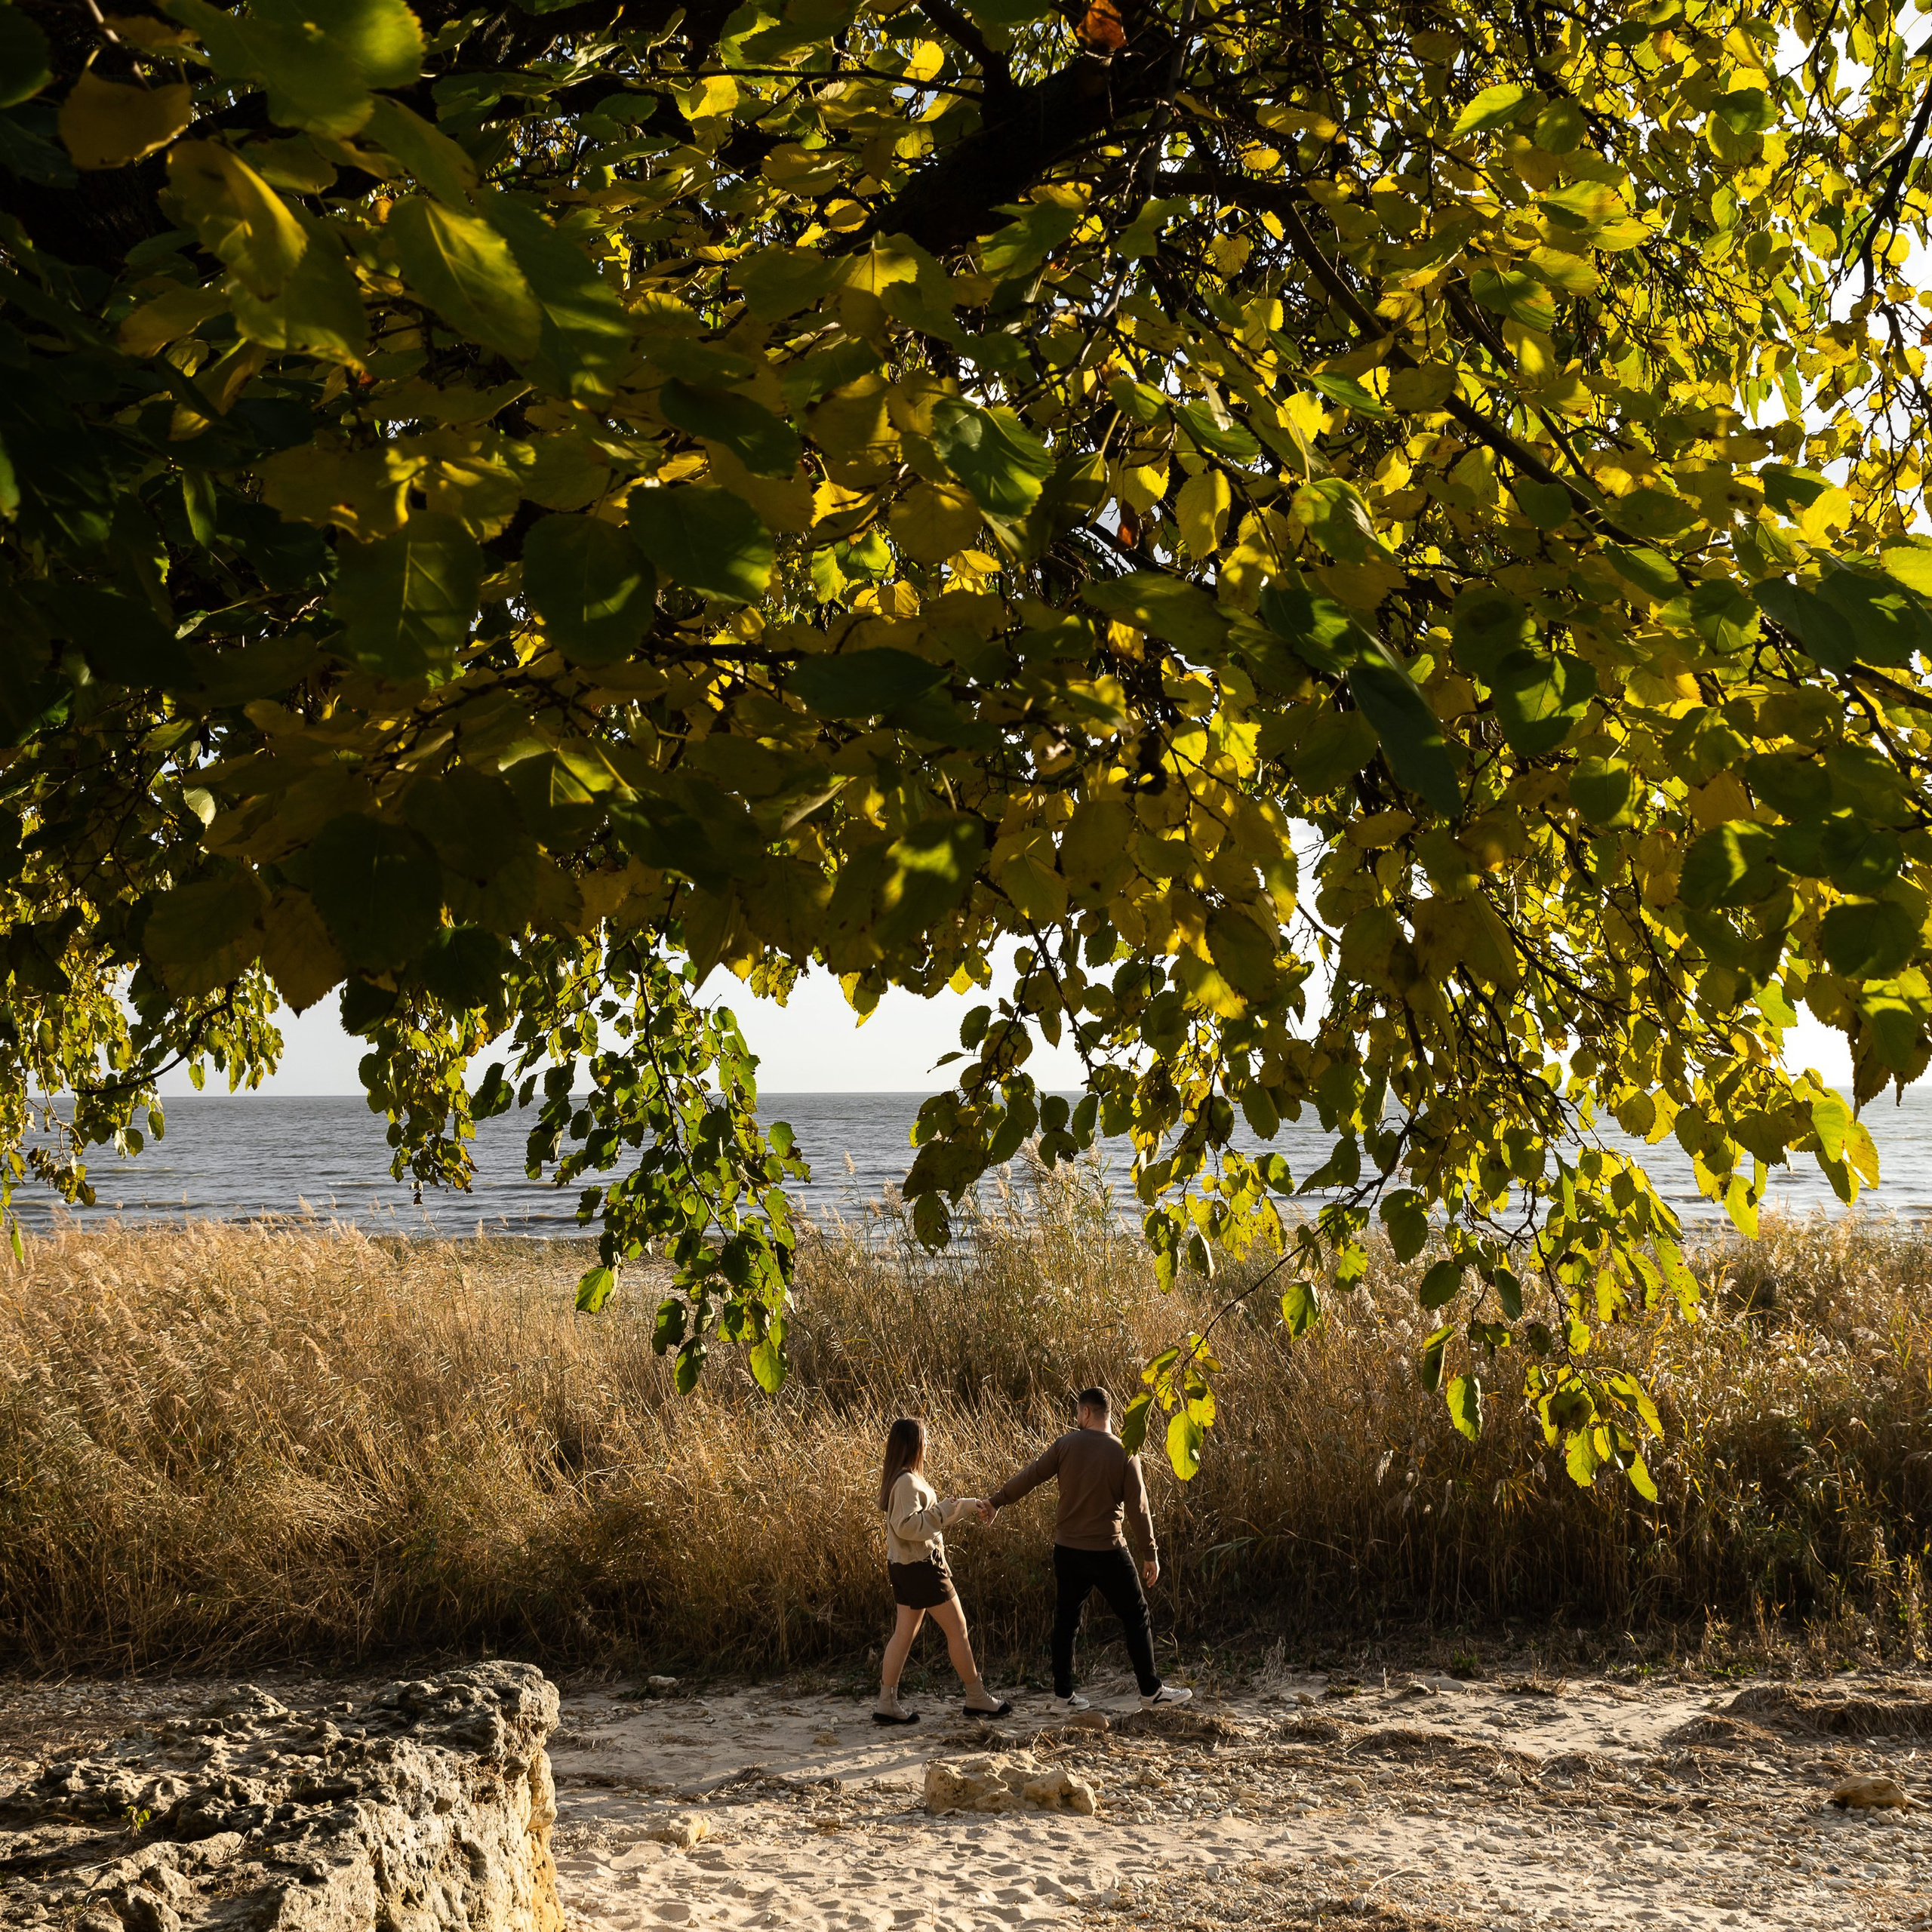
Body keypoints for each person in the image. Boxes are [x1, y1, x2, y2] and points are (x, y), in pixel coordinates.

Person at [980, 1386, 1192, 1715]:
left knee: (1066, 1620)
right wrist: (1150, 1553)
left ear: (1087, 1413)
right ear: (1110, 1414)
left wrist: (996, 1501)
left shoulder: (1065, 1445)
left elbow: (1032, 1475)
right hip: (1108, 1550)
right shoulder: (1125, 1450)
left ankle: (1063, 1696)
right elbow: (1139, 1507)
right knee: (1136, 1615)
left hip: (1067, 1551)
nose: (1076, 1417)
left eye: (1078, 1412)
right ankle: (1151, 1691)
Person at [875, 1417, 1013, 1725]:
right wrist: (943, 1511)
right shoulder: (908, 1481)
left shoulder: (900, 1479)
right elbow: (910, 1526)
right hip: (923, 1567)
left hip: (904, 1566)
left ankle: (887, 1702)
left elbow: (927, 1521)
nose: (928, 1445)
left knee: (904, 1633)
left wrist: (963, 1506)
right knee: (958, 1629)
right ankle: (976, 1697)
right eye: (925, 1439)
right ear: (914, 1445)